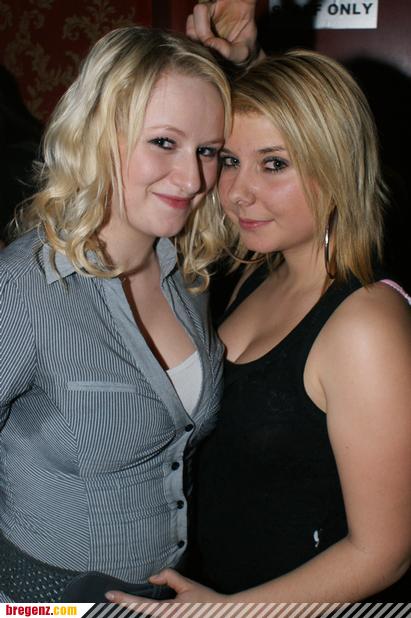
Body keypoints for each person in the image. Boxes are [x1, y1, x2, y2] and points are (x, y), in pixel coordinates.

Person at [107, 8, 411, 607]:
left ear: (335, 164)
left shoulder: (366, 325)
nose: (237, 192)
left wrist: (228, 612)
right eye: (229, 161)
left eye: (274, 165)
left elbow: (385, 550)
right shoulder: (254, 268)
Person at [0, 25, 232, 602]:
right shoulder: (25, 286)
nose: (193, 179)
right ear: (98, 135)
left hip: (169, 590)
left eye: (207, 150)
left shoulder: (191, 270)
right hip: (47, 595)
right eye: (164, 142)